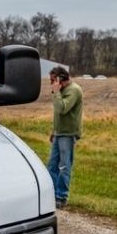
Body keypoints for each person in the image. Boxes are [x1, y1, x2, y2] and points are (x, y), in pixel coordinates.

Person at [47, 66, 83, 209]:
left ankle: (61, 197)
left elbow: (62, 109)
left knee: (64, 166)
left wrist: (56, 93)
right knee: (52, 165)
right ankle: (51, 195)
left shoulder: (73, 90)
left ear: (60, 79)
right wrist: (54, 130)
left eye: (52, 80)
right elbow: (58, 113)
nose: (51, 84)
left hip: (67, 134)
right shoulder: (61, 91)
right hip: (59, 133)